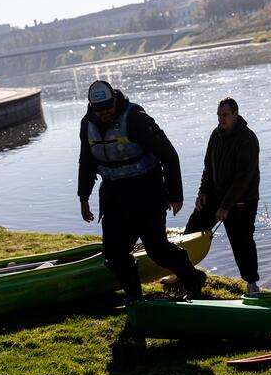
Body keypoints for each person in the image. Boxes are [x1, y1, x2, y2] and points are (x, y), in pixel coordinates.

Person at [77, 80, 207, 302]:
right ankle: (135, 298)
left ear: (115, 100)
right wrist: (83, 197)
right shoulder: (87, 123)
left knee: (157, 249)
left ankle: (192, 278)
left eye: (108, 108)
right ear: (92, 107)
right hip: (114, 196)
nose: (105, 113)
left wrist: (175, 195)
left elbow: (168, 154)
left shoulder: (136, 118)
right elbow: (86, 161)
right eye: (99, 110)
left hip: (147, 192)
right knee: (114, 253)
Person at [184, 97, 260, 297]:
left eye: (225, 115)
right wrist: (202, 191)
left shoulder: (248, 139)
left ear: (236, 114)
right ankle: (182, 272)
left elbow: (243, 179)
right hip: (216, 196)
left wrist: (226, 206)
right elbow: (208, 167)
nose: (221, 119)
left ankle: (252, 284)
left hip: (243, 200)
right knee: (192, 229)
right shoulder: (215, 135)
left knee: (242, 242)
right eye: (219, 115)